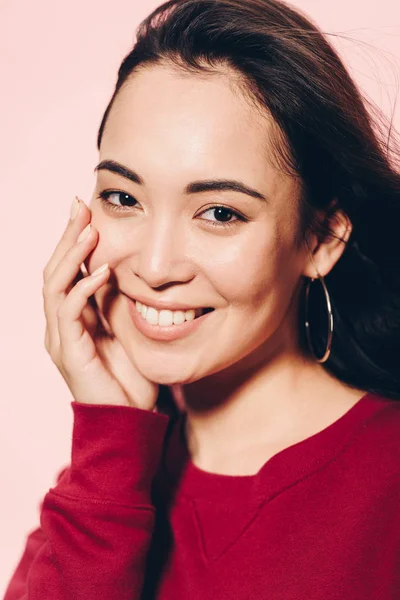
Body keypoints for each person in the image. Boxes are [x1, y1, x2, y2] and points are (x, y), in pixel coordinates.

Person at [4, 0, 400, 598]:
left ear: (320, 239)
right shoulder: (104, 484)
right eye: (123, 198)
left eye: (219, 212)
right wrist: (111, 440)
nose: (155, 267)